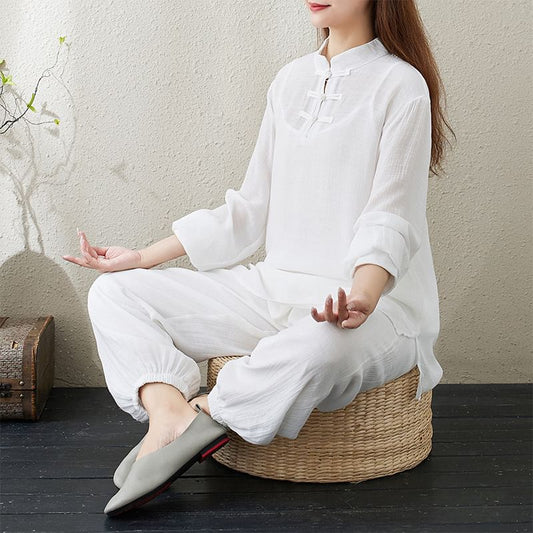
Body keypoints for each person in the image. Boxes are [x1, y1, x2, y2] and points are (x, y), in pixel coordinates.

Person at [63, 0, 454, 514]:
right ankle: (170, 416)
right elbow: (249, 210)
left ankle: (209, 410)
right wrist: (141, 257)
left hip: (378, 307)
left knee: (322, 347)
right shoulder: (290, 80)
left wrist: (363, 295)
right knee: (113, 294)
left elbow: (392, 214)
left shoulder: (402, 85)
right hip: (275, 288)